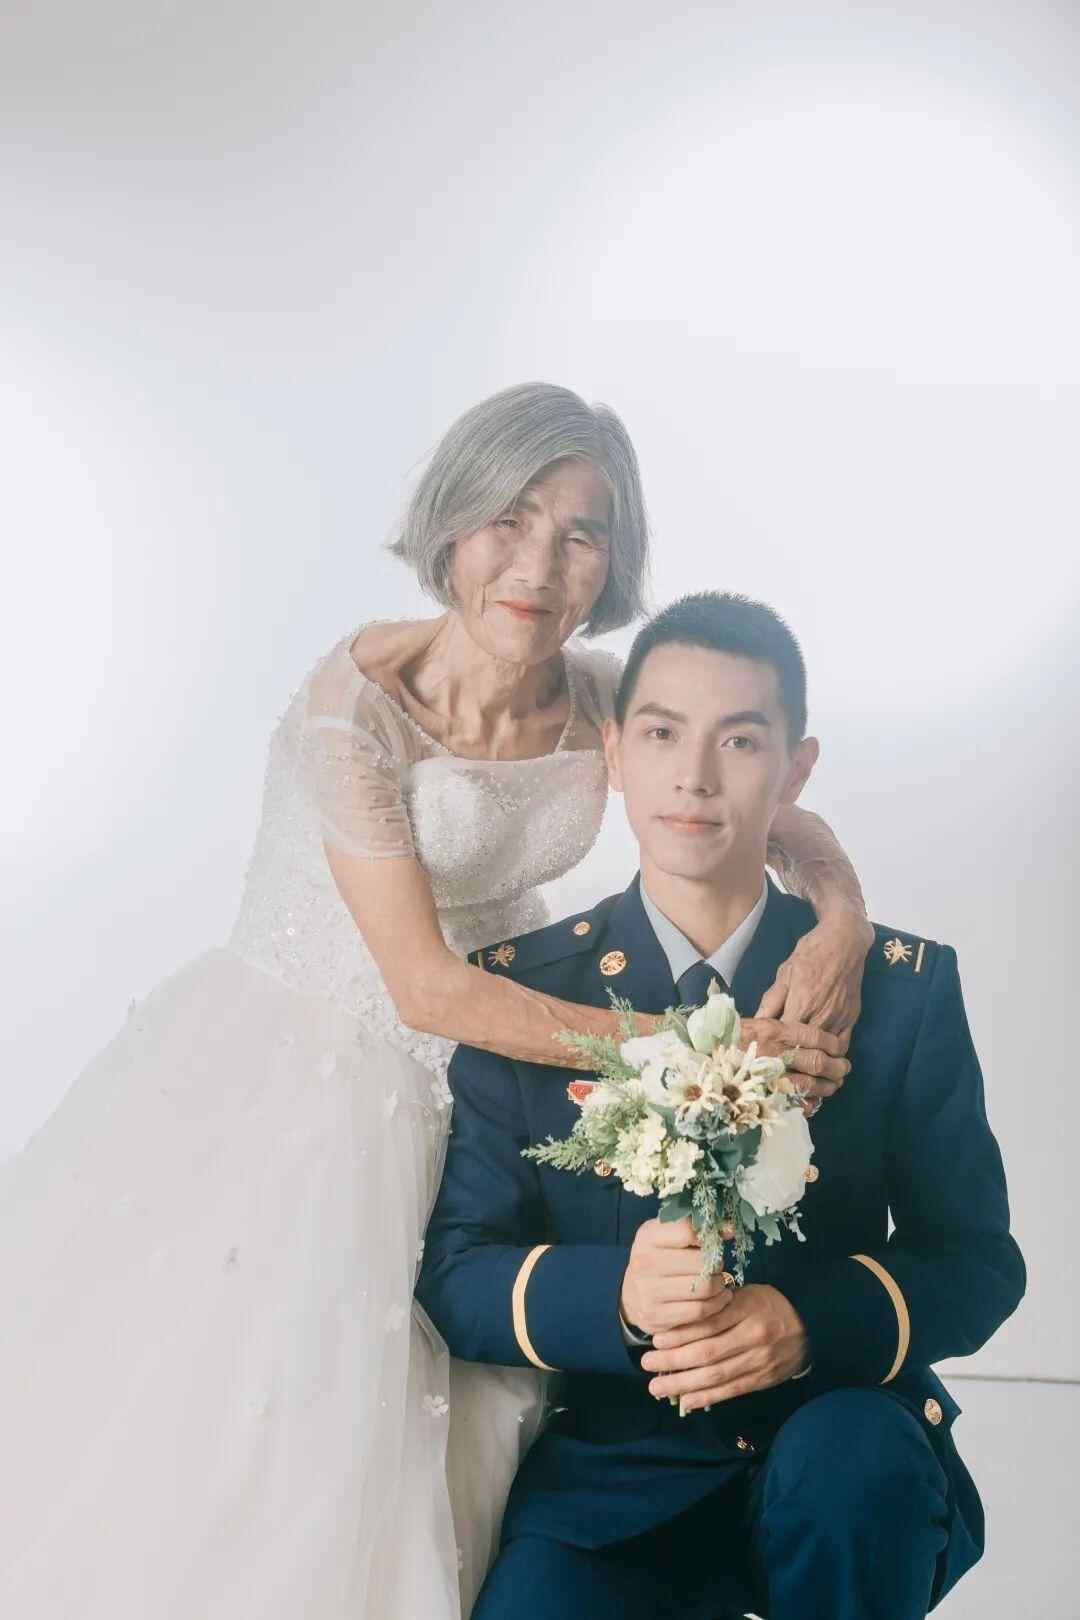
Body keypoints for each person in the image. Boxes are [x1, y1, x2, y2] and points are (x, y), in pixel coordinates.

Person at [1, 387, 868, 1620]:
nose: (538, 566)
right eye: (510, 519)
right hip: (309, 1077)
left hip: (492, 1074)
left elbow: (756, 791)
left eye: (581, 533)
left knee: (483, 1396)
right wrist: (691, 1050)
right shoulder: (353, 711)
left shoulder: (600, 694)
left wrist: (842, 924)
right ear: (451, 521)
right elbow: (422, 984)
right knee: (270, 1421)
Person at [416, 590, 1026, 1620]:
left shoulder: (903, 991)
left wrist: (806, 1322)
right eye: (662, 735)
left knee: (855, 1473)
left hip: (838, 1447)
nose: (695, 776)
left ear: (796, 771)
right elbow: (457, 1269)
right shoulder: (527, 994)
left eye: (740, 741)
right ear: (615, 753)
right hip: (614, 1477)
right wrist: (618, 1296)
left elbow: (977, 1263)